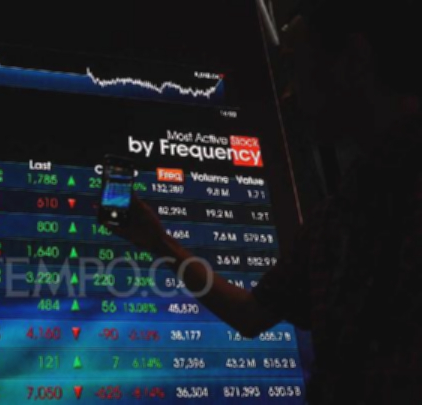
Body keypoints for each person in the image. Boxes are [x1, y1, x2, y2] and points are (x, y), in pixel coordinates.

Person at [105, 0, 422, 403]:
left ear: (355, 61)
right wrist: (158, 243)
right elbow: (250, 314)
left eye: (297, 68)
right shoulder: (335, 215)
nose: (288, 94)